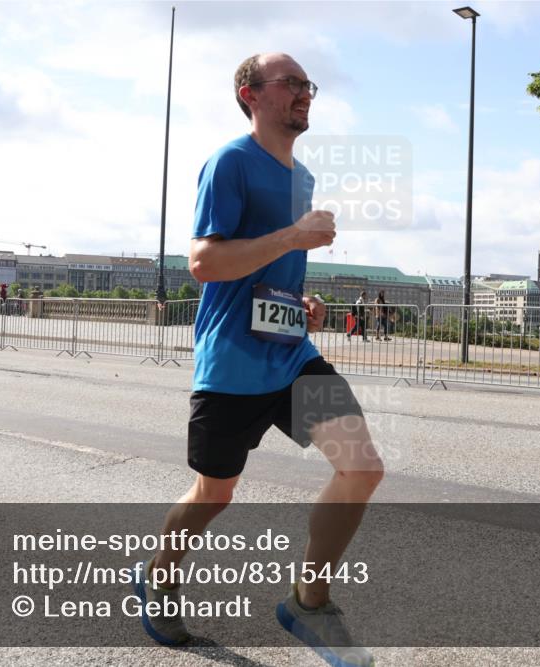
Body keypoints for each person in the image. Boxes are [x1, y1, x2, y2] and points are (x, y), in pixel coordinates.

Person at [133, 53, 382, 667]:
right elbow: (205, 263)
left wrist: (303, 304)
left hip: (292, 356)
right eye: (290, 83)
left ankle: (308, 602)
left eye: (308, 84)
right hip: (233, 365)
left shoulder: (303, 178)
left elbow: (270, 269)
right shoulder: (230, 162)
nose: (304, 93)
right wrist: (294, 236)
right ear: (250, 94)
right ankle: (160, 576)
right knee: (214, 493)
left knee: (362, 466)